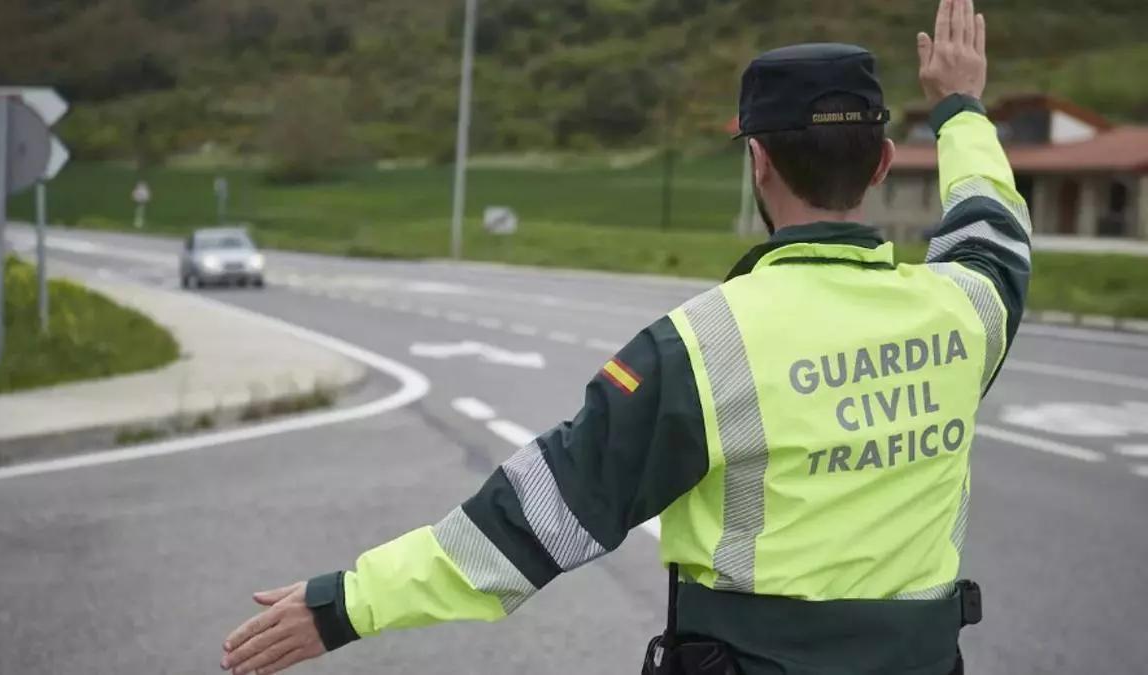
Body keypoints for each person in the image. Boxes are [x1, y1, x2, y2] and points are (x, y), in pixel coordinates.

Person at [220, 0, 1030, 673]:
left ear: (758, 162)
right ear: (884, 161)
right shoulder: (965, 311)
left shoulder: (701, 345)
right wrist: (960, 109)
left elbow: (534, 518)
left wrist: (344, 604)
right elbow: (993, 228)